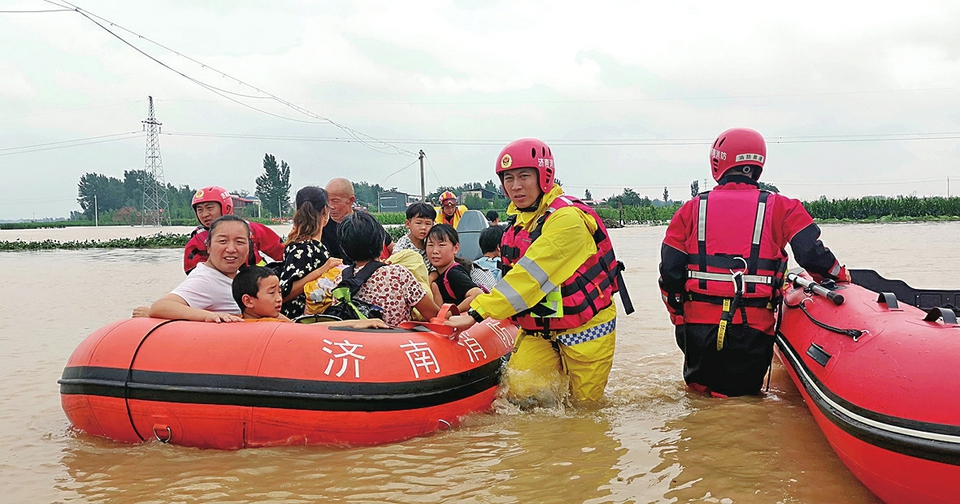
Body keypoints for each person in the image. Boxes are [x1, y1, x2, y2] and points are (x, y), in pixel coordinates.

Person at [659, 127, 851, 397]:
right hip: (753, 329)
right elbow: (812, 255)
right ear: (758, 164)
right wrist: (839, 276)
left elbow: (670, 271)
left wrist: (679, 317)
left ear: (719, 161)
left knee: (699, 399)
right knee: (745, 399)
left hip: (698, 329)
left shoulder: (691, 209)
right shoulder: (783, 207)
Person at [445, 138, 630, 405]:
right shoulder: (519, 221)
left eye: (523, 176)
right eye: (508, 178)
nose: (515, 186)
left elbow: (527, 279)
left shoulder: (567, 220)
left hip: (586, 327)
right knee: (522, 395)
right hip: (539, 330)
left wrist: (476, 313)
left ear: (544, 176)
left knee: (585, 410)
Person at [338, 211, 442, 326]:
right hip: (398, 341)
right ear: (381, 242)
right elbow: (434, 315)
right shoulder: (398, 274)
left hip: (355, 342)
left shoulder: (340, 281)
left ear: (344, 248)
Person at [146, 215, 251, 322]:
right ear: (208, 246)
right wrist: (208, 316)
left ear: (249, 246)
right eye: (223, 241)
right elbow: (160, 306)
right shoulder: (205, 280)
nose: (231, 249)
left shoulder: (237, 277)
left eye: (240, 242)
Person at [234, 265, 388, 328]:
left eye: (280, 292)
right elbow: (308, 331)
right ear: (248, 301)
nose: (279, 298)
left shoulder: (241, 319)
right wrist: (353, 324)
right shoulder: (267, 325)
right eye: (271, 292)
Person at [183, 186, 284, 274]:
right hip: (222, 287)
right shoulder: (197, 241)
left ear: (226, 208)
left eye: (209, 208)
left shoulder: (251, 229)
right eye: (200, 210)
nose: (204, 214)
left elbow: (281, 251)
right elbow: (194, 274)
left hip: (260, 283)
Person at [279, 186, 343, 319]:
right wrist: (322, 270)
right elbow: (284, 294)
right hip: (300, 321)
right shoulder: (303, 248)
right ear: (325, 211)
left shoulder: (302, 245)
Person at [427, 224, 486, 313]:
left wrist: (451, 313)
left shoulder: (453, 274)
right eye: (430, 245)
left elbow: (477, 294)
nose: (435, 251)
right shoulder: (438, 273)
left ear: (456, 248)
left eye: (441, 245)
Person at [393, 201, 436, 275]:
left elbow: (435, 269)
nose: (423, 227)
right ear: (408, 224)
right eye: (418, 223)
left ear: (433, 224)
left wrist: (429, 280)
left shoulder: (432, 242)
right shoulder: (404, 243)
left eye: (428, 224)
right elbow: (395, 258)